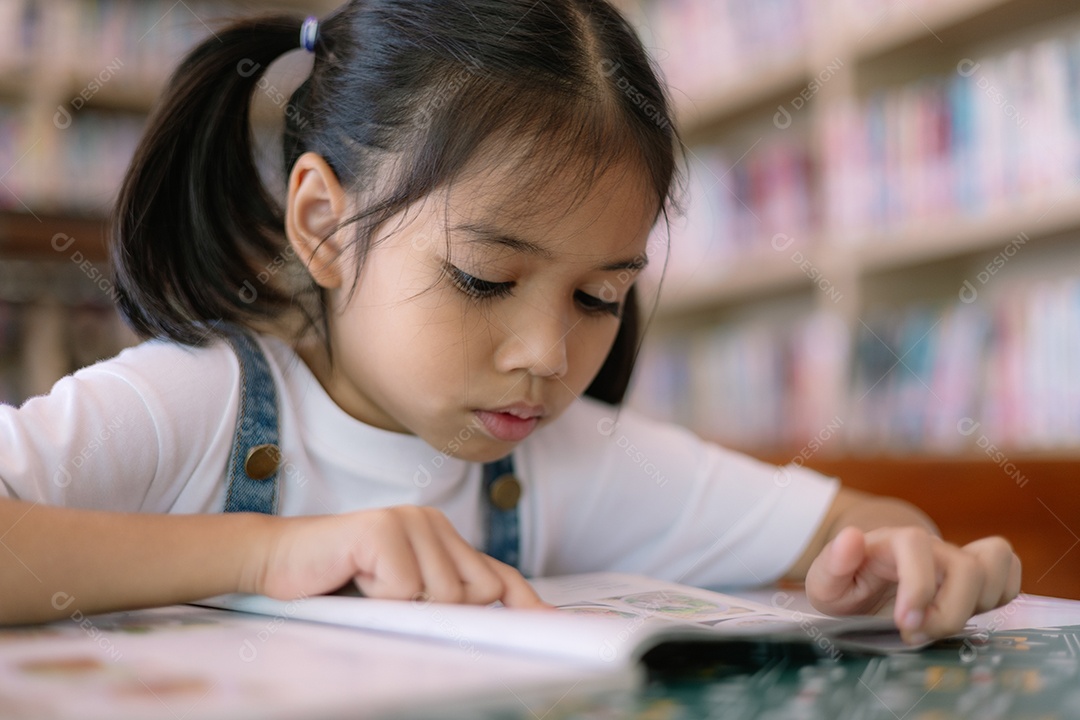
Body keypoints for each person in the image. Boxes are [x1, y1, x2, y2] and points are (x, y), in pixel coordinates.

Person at [0, 0, 1019, 645]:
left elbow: (865, 529)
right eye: (486, 279)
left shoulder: (564, 461)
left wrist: (915, 563)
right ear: (323, 223)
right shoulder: (199, 402)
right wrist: (264, 555)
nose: (547, 357)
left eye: (599, 298)